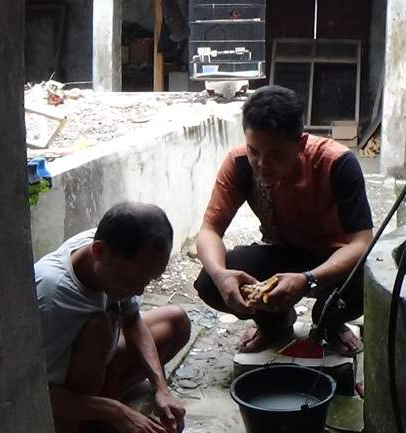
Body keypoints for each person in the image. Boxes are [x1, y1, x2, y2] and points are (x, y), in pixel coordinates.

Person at [194, 85, 373, 356]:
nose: (262, 164)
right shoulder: (239, 163)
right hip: (281, 252)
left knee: (368, 283)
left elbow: (361, 243)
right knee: (209, 281)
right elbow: (209, 231)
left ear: (300, 144)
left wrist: (307, 279)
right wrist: (221, 275)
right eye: (254, 151)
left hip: (333, 259)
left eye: (276, 155)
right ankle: (275, 323)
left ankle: (329, 323)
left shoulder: (337, 163)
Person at [35, 202, 191, 433]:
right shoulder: (51, 297)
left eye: (147, 281)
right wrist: (117, 410)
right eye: (132, 281)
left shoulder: (110, 250)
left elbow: (132, 320)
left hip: (97, 365)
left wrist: (161, 388)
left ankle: (97, 409)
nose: (139, 291)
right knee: (100, 327)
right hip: (59, 392)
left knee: (176, 322)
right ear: (99, 252)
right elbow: (37, 392)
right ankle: (86, 421)